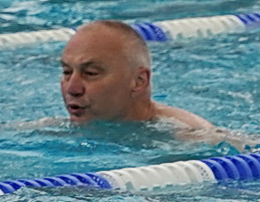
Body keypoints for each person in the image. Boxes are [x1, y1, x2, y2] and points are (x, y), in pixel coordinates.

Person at [58, 20, 214, 131]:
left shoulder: (189, 136)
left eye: (90, 73)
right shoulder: (51, 131)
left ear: (139, 82)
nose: (73, 88)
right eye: (67, 72)